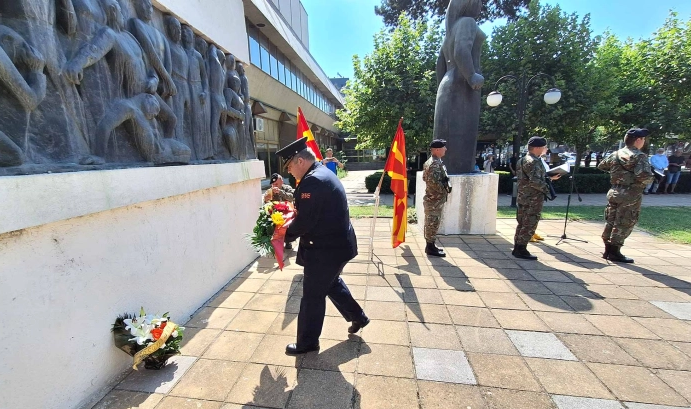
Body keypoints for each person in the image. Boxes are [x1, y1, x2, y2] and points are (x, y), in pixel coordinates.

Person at [278, 137, 368, 355]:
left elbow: (305, 221)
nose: (290, 171)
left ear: (300, 161)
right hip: (336, 245)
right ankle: (359, 317)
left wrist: (282, 234)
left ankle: (308, 343)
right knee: (331, 283)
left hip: (326, 249)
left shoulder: (313, 181)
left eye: (290, 166)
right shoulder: (319, 174)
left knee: (312, 295)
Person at [598, 128, 653, 263]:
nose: (644, 142)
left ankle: (607, 250)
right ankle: (615, 252)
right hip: (630, 193)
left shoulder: (617, 153)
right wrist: (651, 178)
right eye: (643, 139)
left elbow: (601, 165)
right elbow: (644, 176)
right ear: (638, 140)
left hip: (615, 191)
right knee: (625, 222)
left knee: (611, 220)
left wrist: (618, 174)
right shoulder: (639, 156)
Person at [513, 136, 561, 260]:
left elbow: (529, 179)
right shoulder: (533, 161)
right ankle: (521, 249)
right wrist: (547, 189)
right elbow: (535, 181)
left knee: (522, 223)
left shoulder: (523, 159)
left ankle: (518, 248)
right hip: (532, 198)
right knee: (529, 223)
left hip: (524, 196)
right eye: (544, 147)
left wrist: (550, 178)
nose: (545, 149)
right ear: (537, 148)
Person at [423, 139, 451, 257]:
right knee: (432, 223)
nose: (445, 149)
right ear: (437, 149)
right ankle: (430, 247)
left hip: (434, 199)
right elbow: (433, 183)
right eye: (443, 147)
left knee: (433, 223)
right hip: (434, 200)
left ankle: (431, 245)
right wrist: (444, 190)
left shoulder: (435, 161)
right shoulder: (434, 163)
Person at [263, 173, 296, 250]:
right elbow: (266, 204)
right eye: (273, 184)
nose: (275, 186)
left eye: (276, 184)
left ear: (281, 181)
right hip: (276, 213)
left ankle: (288, 241)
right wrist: (266, 199)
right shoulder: (270, 191)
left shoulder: (287, 188)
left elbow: (292, 197)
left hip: (287, 212)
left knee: (289, 225)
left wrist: (280, 192)